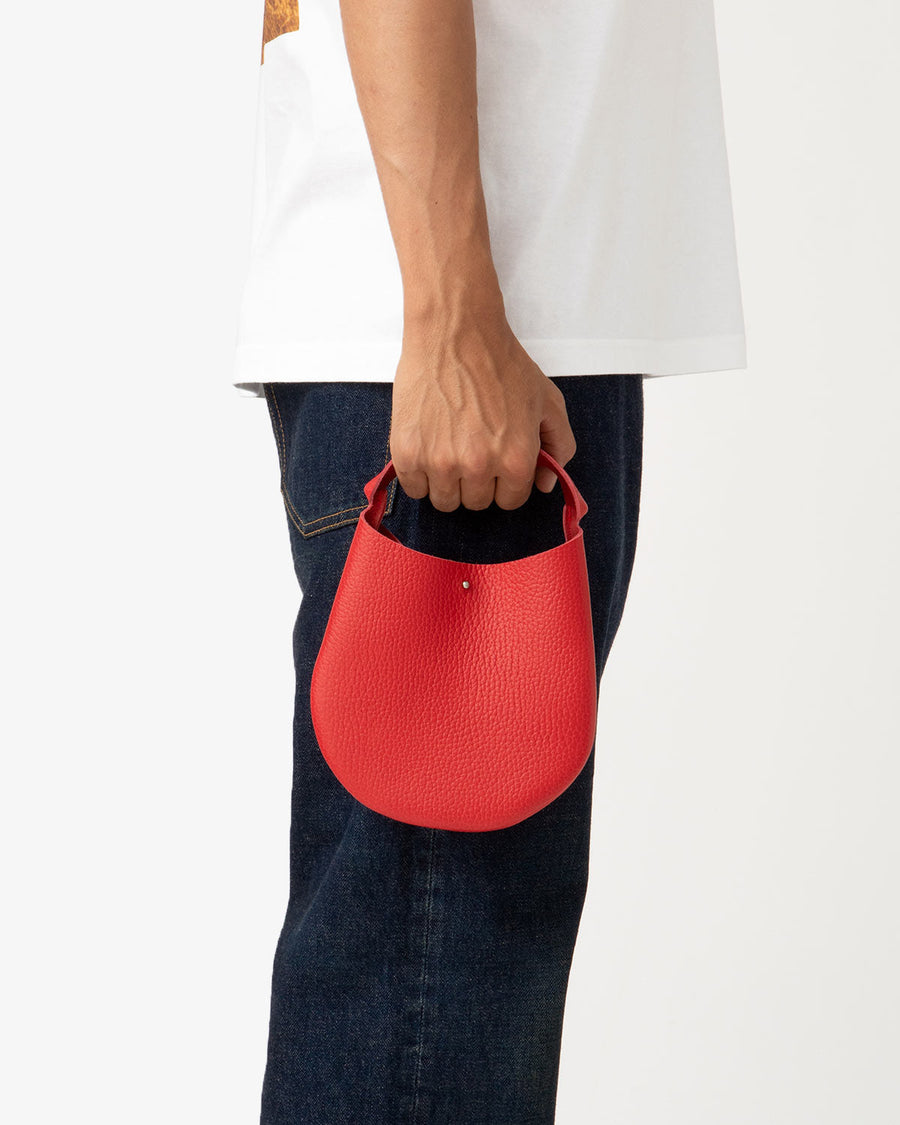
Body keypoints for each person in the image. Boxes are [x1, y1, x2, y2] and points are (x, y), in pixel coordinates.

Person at [233, 1, 746, 1121]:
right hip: (468, 333)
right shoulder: (462, 325)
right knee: (430, 984)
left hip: (508, 318)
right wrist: (453, 316)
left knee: (455, 973)